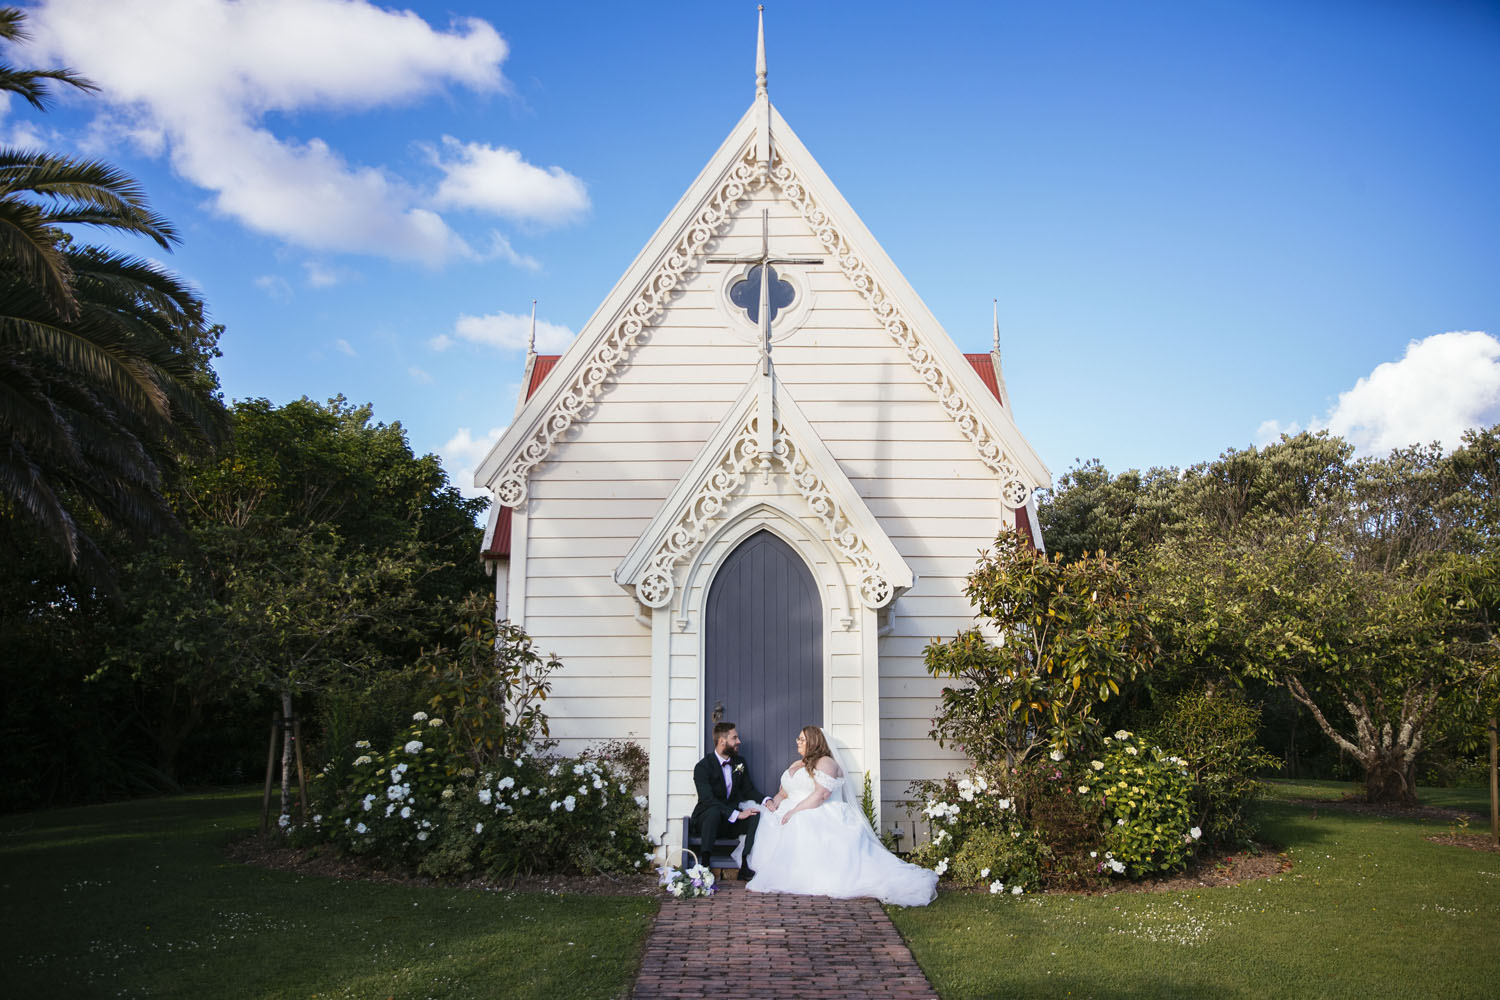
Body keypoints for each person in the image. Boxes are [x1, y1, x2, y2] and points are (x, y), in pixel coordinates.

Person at [747, 725, 937, 906]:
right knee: (764, 817)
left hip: (817, 809)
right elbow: (784, 792)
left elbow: (820, 795)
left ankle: (800, 874)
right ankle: (760, 869)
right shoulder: (797, 763)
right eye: (798, 738)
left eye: (802, 739)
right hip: (791, 806)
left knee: (799, 822)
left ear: (813, 741)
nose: (797, 741)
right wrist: (773, 803)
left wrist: (793, 811)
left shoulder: (826, 762)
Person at [691, 721, 773, 880]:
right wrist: (736, 814)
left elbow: (748, 789)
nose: (739, 741)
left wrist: (766, 800)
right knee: (713, 812)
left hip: (729, 822)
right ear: (722, 741)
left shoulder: (739, 762)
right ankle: (705, 865)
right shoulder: (702, 767)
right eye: (734, 738)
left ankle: (744, 865)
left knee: (754, 816)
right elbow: (707, 799)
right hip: (708, 820)